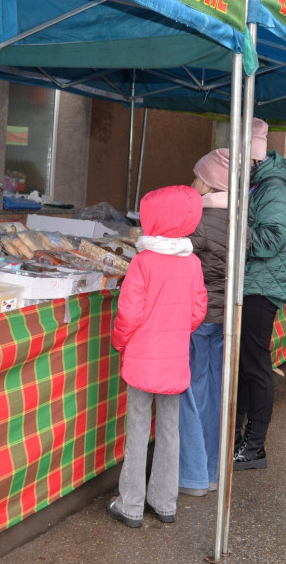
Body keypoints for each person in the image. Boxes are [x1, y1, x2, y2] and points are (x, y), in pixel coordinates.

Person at [108, 185, 208, 527]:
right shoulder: (193, 263)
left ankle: (131, 505)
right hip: (176, 359)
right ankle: (165, 502)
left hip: (140, 359)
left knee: (137, 429)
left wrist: (119, 341)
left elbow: (129, 315)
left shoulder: (142, 262)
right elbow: (198, 312)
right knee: (170, 430)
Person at [232, 118, 286, 471]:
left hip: (261, 286)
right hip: (254, 283)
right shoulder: (263, 184)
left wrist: (231, 233)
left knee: (256, 367)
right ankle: (241, 438)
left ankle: (254, 446)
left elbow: (270, 239)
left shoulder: (273, 189)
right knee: (247, 366)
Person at [178, 148, 230, 496]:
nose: (192, 182)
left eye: (197, 177)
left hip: (197, 317)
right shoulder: (237, 218)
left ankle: (192, 476)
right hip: (223, 317)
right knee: (213, 394)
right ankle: (210, 472)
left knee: (192, 395)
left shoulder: (197, 221)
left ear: (209, 184)